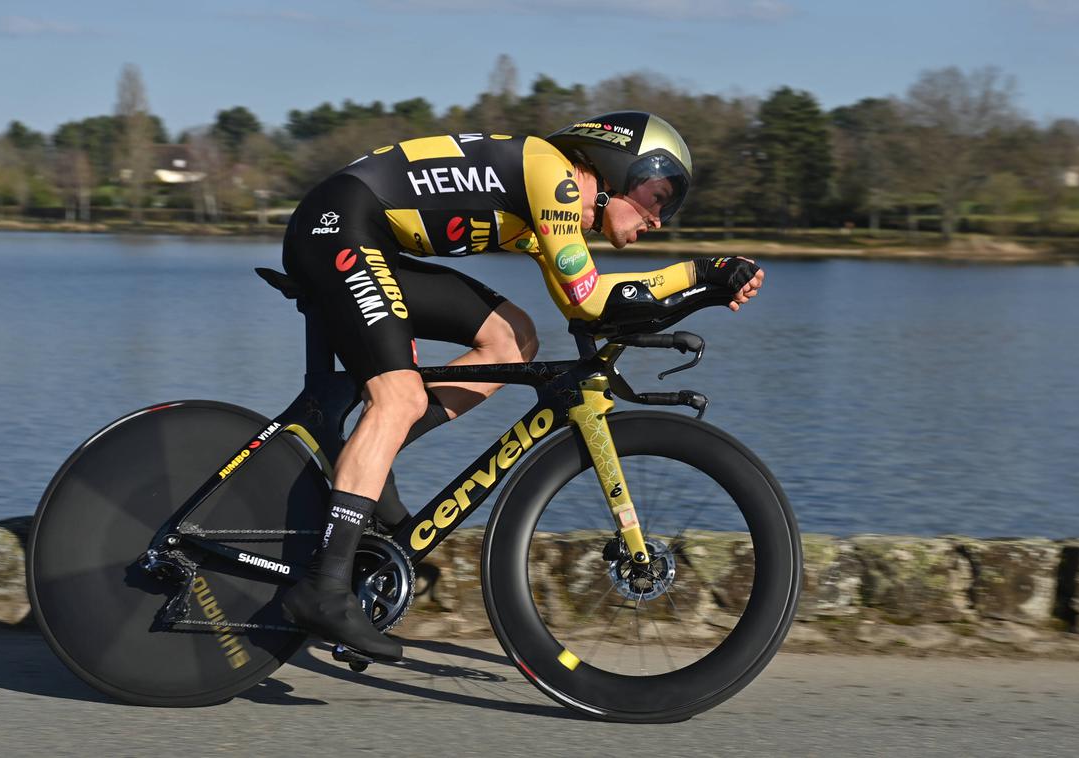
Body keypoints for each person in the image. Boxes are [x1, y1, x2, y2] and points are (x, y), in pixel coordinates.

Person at [279, 111, 764, 660]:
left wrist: (705, 285)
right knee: (400, 396)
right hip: (336, 229)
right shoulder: (552, 177)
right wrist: (701, 274)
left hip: (364, 237)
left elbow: (589, 309)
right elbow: (591, 302)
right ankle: (324, 586)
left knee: (514, 341)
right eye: (658, 196)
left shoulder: (550, 213)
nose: (660, 218)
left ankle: (373, 454)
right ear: (615, 169)